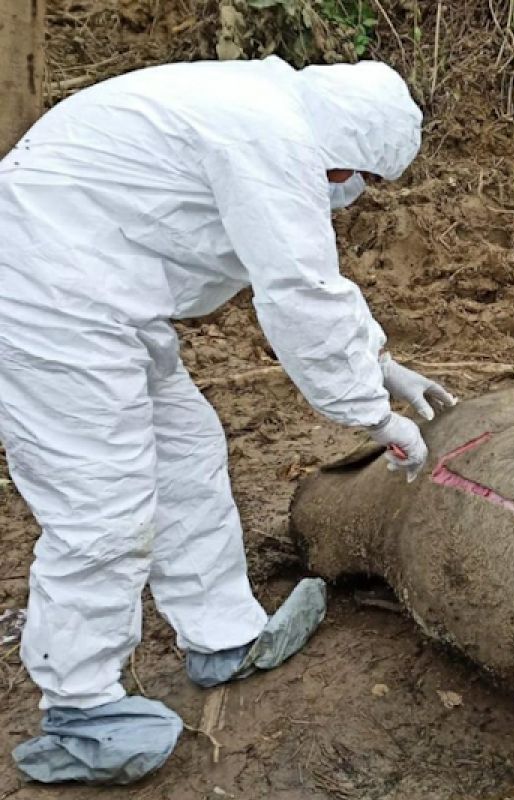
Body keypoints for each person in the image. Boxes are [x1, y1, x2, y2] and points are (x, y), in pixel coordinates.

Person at [0, 57, 455, 784]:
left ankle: (223, 636)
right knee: (103, 505)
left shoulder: (267, 114)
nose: (349, 197)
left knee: (186, 449)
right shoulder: (268, 135)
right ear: (341, 158)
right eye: (355, 181)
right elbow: (299, 286)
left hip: (101, 295)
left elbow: (308, 275)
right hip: (46, 300)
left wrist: (383, 366)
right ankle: (78, 709)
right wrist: (373, 415)